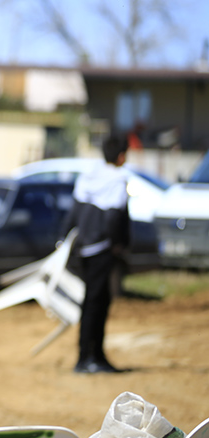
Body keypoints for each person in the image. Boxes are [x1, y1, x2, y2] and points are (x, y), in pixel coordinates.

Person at [65, 135, 131, 374]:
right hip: (102, 249)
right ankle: (85, 358)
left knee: (99, 300)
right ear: (122, 155)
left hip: (85, 247)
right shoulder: (119, 178)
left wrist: (64, 239)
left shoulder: (89, 174)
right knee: (95, 303)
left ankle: (97, 356)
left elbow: (73, 212)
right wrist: (118, 245)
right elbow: (116, 217)